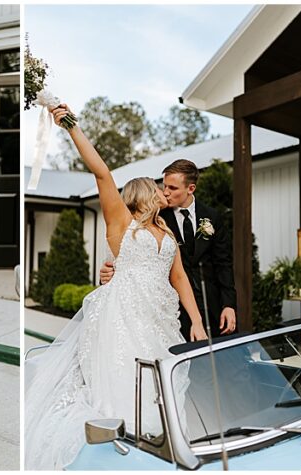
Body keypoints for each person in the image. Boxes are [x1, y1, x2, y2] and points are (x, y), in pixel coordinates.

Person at [24, 105, 208, 470]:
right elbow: (102, 172)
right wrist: (70, 126)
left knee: (161, 393)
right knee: (123, 392)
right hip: (122, 322)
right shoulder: (122, 224)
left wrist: (197, 321)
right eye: (157, 188)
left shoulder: (167, 232)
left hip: (161, 324)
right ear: (143, 195)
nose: (163, 192)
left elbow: (180, 278)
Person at [99, 159, 237, 338]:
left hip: (211, 302)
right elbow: (126, 249)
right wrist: (108, 272)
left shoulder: (212, 217)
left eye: (172, 188)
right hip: (170, 308)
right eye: (164, 186)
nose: (165, 192)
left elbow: (223, 264)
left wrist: (229, 305)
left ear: (191, 189)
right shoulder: (155, 216)